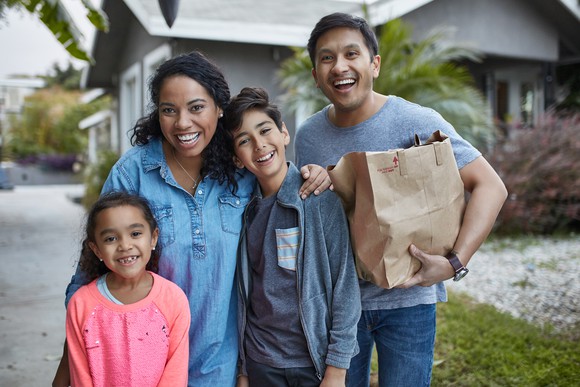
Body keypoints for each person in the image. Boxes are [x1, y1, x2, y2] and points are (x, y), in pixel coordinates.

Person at [52, 50, 331, 387]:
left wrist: (318, 174)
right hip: (143, 363)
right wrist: (71, 362)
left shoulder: (240, 170)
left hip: (220, 364)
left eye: (196, 107)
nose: (182, 123)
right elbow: (91, 273)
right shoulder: (134, 173)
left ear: (219, 108)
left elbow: (280, 189)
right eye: (169, 110)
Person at [295, 13, 508, 387]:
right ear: (315, 75)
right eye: (327, 58)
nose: (339, 67)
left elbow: (491, 186)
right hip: (337, 308)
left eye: (351, 54)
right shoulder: (309, 136)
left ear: (374, 64)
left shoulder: (414, 120)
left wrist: (455, 262)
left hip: (409, 304)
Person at [223, 87, 361, 387]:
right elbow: (245, 295)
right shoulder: (243, 210)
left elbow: (345, 285)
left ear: (284, 133)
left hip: (313, 360)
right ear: (237, 158)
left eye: (265, 131)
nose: (259, 145)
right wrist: (244, 369)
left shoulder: (317, 197)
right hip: (262, 361)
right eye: (244, 141)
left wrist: (337, 367)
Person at [66, 191, 190, 386]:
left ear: (153, 238)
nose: (125, 245)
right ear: (96, 249)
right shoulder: (81, 304)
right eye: (110, 239)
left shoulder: (173, 299)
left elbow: (175, 372)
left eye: (135, 234)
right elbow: (80, 374)